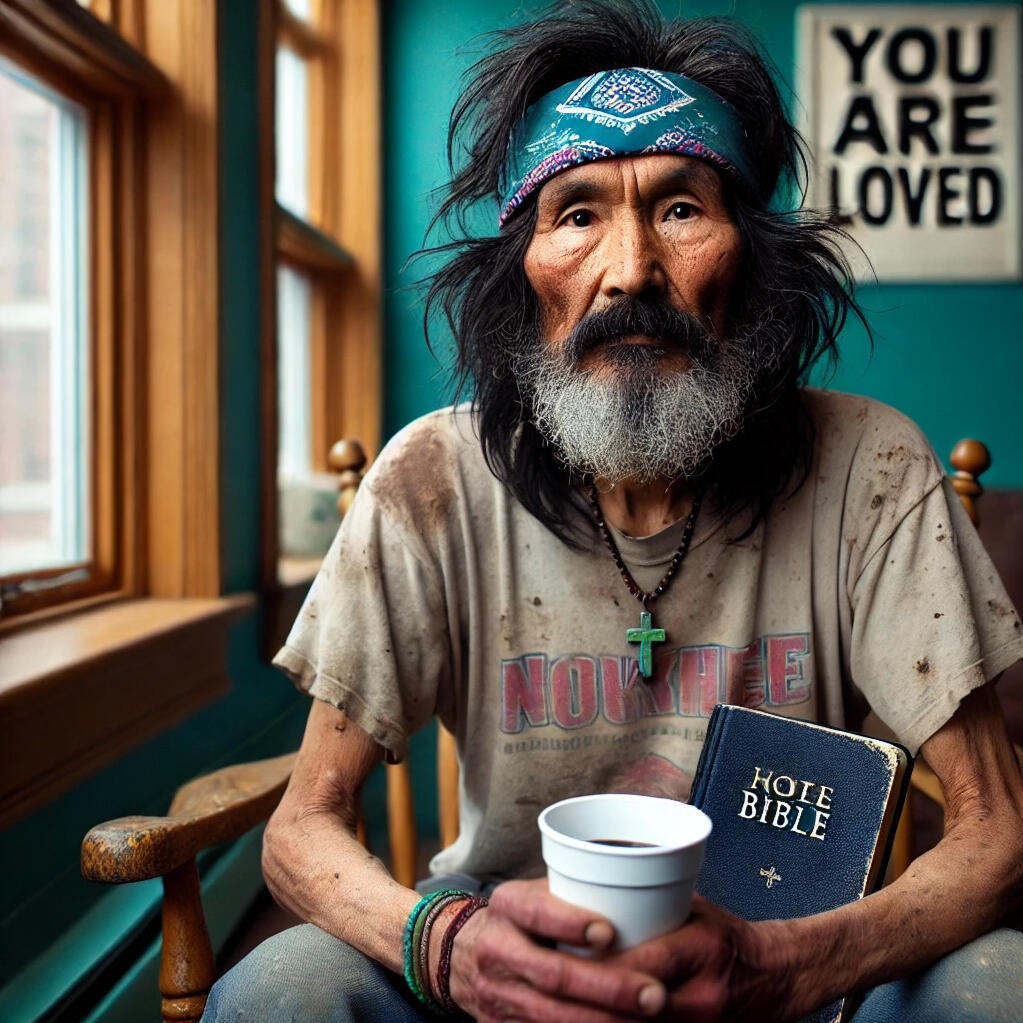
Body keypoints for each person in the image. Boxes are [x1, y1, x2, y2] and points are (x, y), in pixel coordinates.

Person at [204, 3, 1023, 1020]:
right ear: (522, 275)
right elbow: (301, 829)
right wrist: (448, 947)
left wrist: (789, 968)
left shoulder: (871, 465)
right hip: (498, 970)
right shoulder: (431, 477)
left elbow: (996, 827)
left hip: (791, 973)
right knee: (279, 990)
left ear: (751, 265)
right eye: (578, 215)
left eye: (681, 209)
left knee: (1004, 986)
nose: (630, 268)